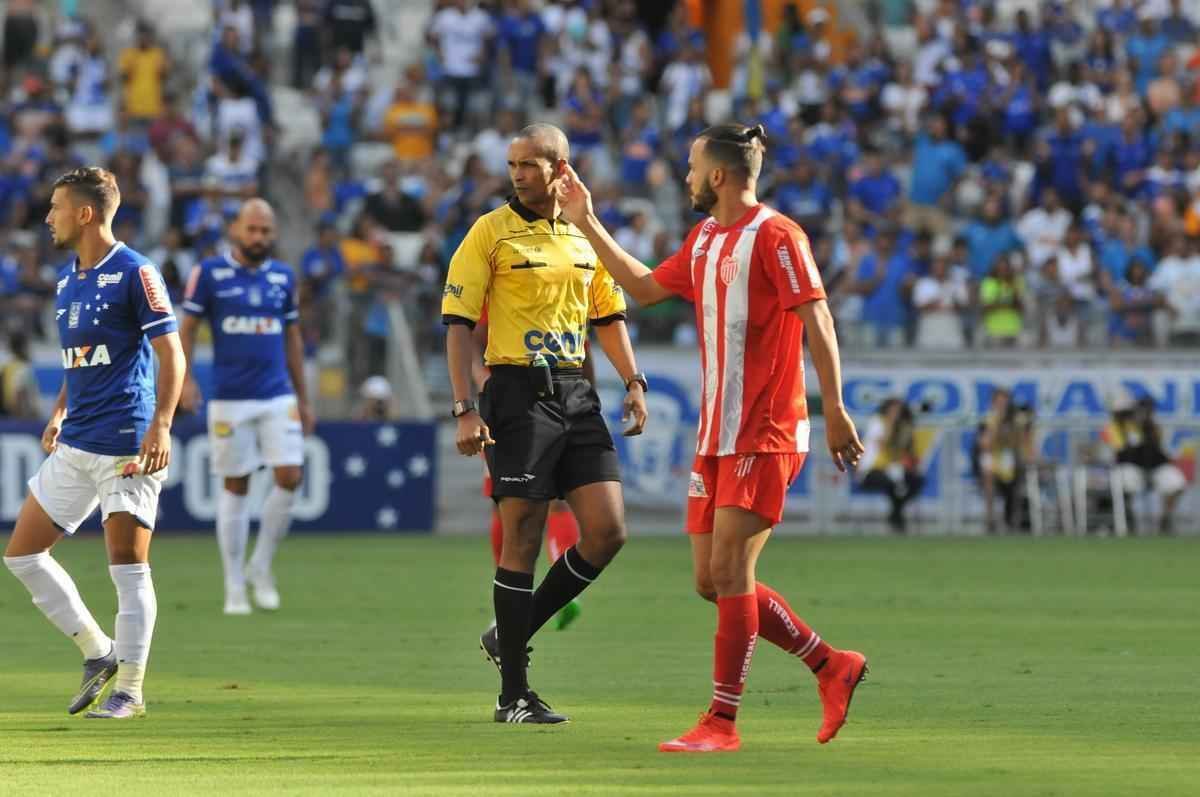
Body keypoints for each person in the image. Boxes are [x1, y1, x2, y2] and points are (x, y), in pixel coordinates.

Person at [557, 123, 869, 753]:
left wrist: (833, 407)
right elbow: (644, 289)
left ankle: (721, 723)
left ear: (720, 176)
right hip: (716, 435)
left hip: (766, 429)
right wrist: (587, 222)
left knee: (730, 571)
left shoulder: (778, 236)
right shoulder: (704, 238)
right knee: (711, 579)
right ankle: (831, 664)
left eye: (694, 166)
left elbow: (818, 316)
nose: (687, 176)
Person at [442, 123, 648, 725]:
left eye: (528, 164)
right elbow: (456, 323)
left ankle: (511, 630)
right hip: (515, 392)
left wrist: (633, 382)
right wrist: (464, 406)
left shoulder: (587, 233)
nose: (516, 175)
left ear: (560, 167)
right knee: (523, 537)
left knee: (608, 531)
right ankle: (513, 696)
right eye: (512, 165)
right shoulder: (489, 232)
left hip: (577, 392)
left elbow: (608, 314)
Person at [3, 167, 185, 719]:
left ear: (85, 213)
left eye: (56, 207)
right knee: (22, 555)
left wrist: (162, 425)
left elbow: (171, 353)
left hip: (127, 442)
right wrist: (59, 410)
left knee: (127, 567)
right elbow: (77, 360)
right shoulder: (67, 279)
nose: (48, 217)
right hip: (76, 439)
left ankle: (130, 689)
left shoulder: (137, 272)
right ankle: (97, 651)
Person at [178, 199, 314, 615]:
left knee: (289, 476)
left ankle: (261, 566)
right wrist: (184, 378)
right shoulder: (209, 273)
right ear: (236, 229)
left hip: (277, 394)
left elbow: (291, 337)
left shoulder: (282, 277)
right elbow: (186, 329)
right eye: (252, 229)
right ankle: (233, 583)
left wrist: (303, 397)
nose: (259, 237)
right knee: (236, 484)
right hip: (230, 398)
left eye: (266, 231)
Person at [473, 304, 585, 632]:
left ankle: (510, 599)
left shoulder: (505, 282)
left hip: (516, 408)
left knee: (506, 504)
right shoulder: (565, 285)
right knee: (556, 500)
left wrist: (482, 382)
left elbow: (471, 340)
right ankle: (560, 588)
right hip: (550, 401)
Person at [1102, 394, 1186, 535]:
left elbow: (1159, 450)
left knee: (1177, 483)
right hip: (1131, 466)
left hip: (1155, 467)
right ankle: (1127, 516)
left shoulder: (1151, 426)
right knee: (1128, 481)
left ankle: (1165, 518)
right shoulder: (1114, 427)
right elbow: (1121, 453)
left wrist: (1147, 428)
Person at [857, 398, 926, 533]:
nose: (896, 413)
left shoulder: (901, 427)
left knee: (916, 481)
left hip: (889, 469)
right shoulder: (877, 421)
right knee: (895, 486)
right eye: (893, 410)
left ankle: (895, 514)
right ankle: (896, 518)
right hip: (870, 469)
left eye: (898, 411)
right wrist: (892, 424)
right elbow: (883, 443)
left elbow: (901, 453)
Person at [976, 388, 1036, 533]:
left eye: (1005, 402)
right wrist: (996, 425)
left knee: (1018, 474)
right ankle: (990, 520)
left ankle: (1013, 521)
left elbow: (1023, 443)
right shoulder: (987, 420)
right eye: (999, 402)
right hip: (992, 457)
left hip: (1010, 460)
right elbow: (984, 445)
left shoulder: (1016, 419)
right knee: (988, 470)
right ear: (993, 403)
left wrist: (1019, 427)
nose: (1002, 405)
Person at [0, 331, 41, 417]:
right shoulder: (22, 369)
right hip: (20, 417)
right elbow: (19, 395)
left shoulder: (6, 367)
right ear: (23, 347)